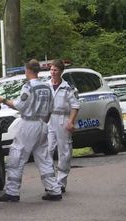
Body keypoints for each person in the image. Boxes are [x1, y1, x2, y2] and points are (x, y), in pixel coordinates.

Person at [0, 59, 62, 201]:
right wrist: (43, 123)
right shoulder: (47, 87)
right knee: (44, 158)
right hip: (42, 124)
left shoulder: (29, 87)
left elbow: (19, 105)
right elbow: (51, 108)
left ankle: (12, 192)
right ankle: (54, 190)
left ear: (28, 70)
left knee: (17, 156)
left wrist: (3, 100)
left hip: (29, 124)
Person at [47, 59, 80, 193]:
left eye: (55, 70)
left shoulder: (68, 87)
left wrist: (71, 121)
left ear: (61, 72)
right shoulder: (46, 85)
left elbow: (75, 106)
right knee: (47, 150)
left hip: (63, 119)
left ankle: (61, 182)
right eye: (51, 70)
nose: (53, 73)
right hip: (49, 119)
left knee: (64, 151)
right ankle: (50, 181)